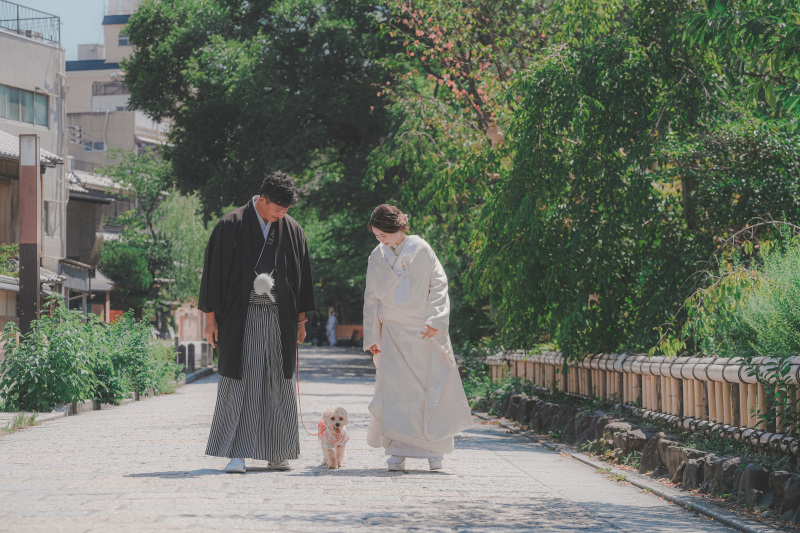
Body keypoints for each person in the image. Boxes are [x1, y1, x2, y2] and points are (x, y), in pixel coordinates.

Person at [198, 171, 315, 473]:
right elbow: (214, 273)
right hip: (242, 315)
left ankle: (278, 451)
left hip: (281, 318)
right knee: (242, 380)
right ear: (262, 200)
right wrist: (210, 319)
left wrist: (301, 320)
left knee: (278, 381)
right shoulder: (231, 225)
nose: (281, 215)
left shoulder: (292, 229)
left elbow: (302, 278)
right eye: (277, 209)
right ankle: (237, 452)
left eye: (286, 211)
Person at [363, 204, 472, 471]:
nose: (380, 240)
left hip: (423, 331)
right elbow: (370, 297)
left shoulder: (421, 248)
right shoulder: (377, 256)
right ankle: (396, 451)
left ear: (398, 228)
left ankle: (435, 451)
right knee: (395, 391)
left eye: (383, 235)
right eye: (377, 235)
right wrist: (372, 335)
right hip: (391, 332)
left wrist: (436, 320)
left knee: (428, 389)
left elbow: (439, 284)